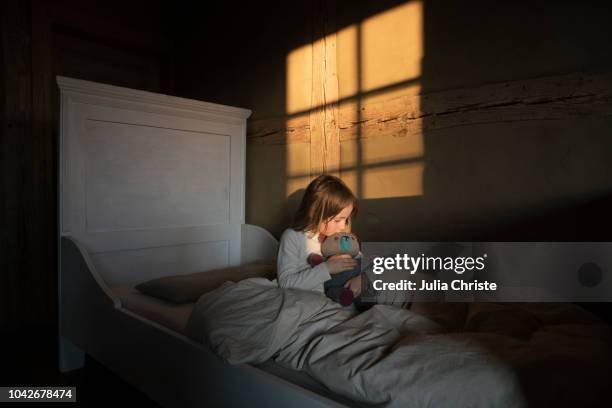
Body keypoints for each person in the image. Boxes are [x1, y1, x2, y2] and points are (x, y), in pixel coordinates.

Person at [276, 174, 369, 308]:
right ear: (317, 213)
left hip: (350, 294)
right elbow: (285, 282)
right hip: (321, 300)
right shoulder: (293, 237)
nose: (343, 226)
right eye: (338, 220)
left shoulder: (339, 237)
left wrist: (362, 279)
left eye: (346, 219)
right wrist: (327, 268)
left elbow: (362, 261)